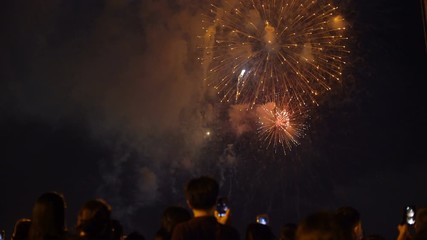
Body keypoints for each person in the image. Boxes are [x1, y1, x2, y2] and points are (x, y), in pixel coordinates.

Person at [171, 175, 240, 240]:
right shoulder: (230, 232)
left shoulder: (183, 230)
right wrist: (224, 229)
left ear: (189, 203)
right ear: (215, 201)